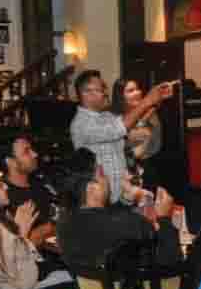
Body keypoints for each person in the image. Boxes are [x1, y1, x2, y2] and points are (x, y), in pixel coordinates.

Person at [56, 148, 181, 270]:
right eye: (102, 175)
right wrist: (164, 218)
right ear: (92, 188)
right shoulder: (132, 224)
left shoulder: (63, 223)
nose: (107, 179)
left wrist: (125, 200)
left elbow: (104, 221)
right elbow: (171, 262)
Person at [70, 69, 173, 205]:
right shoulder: (82, 123)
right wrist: (148, 100)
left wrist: (155, 102)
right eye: (102, 89)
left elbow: (133, 128)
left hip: (122, 198)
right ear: (87, 94)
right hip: (100, 201)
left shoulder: (106, 116)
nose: (106, 93)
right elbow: (120, 128)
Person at [0, 127, 56, 247]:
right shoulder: (3, 197)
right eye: (26, 151)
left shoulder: (42, 182)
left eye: (32, 149)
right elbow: (10, 248)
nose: (35, 154)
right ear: (10, 161)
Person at [111, 76, 163, 189]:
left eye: (137, 89)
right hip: (123, 174)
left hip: (148, 169)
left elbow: (154, 145)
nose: (137, 93)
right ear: (120, 96)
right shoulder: (114, 118)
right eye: (130, 91)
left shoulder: (151, 114)